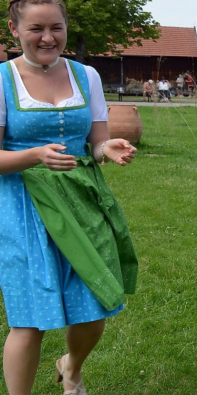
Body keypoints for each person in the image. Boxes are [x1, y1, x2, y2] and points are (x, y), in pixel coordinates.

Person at [0, 1, 139, 394]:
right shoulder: (1, 80)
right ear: (14, 28)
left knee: (94, 306)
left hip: (82, 201)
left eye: (56, 28)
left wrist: (106, 148)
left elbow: (94, 142)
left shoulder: (86, 75)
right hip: (24, 207)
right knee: (28, 321)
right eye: (36, 29)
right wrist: (33, 155)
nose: (48, 37)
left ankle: (71, 367)